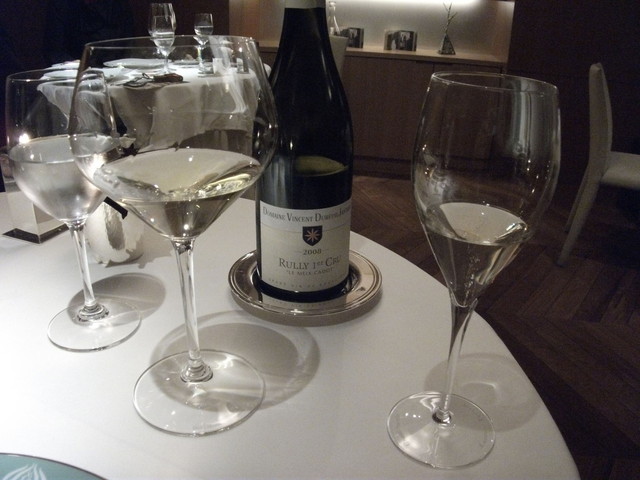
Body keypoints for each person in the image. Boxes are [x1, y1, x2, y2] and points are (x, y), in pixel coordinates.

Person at [43, 0, 134, 65]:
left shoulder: (118, 4)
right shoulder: (61, 4)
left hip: (116, 72)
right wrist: (78, 67)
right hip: (75, 75)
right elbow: (55, 51)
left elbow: (128, 46)